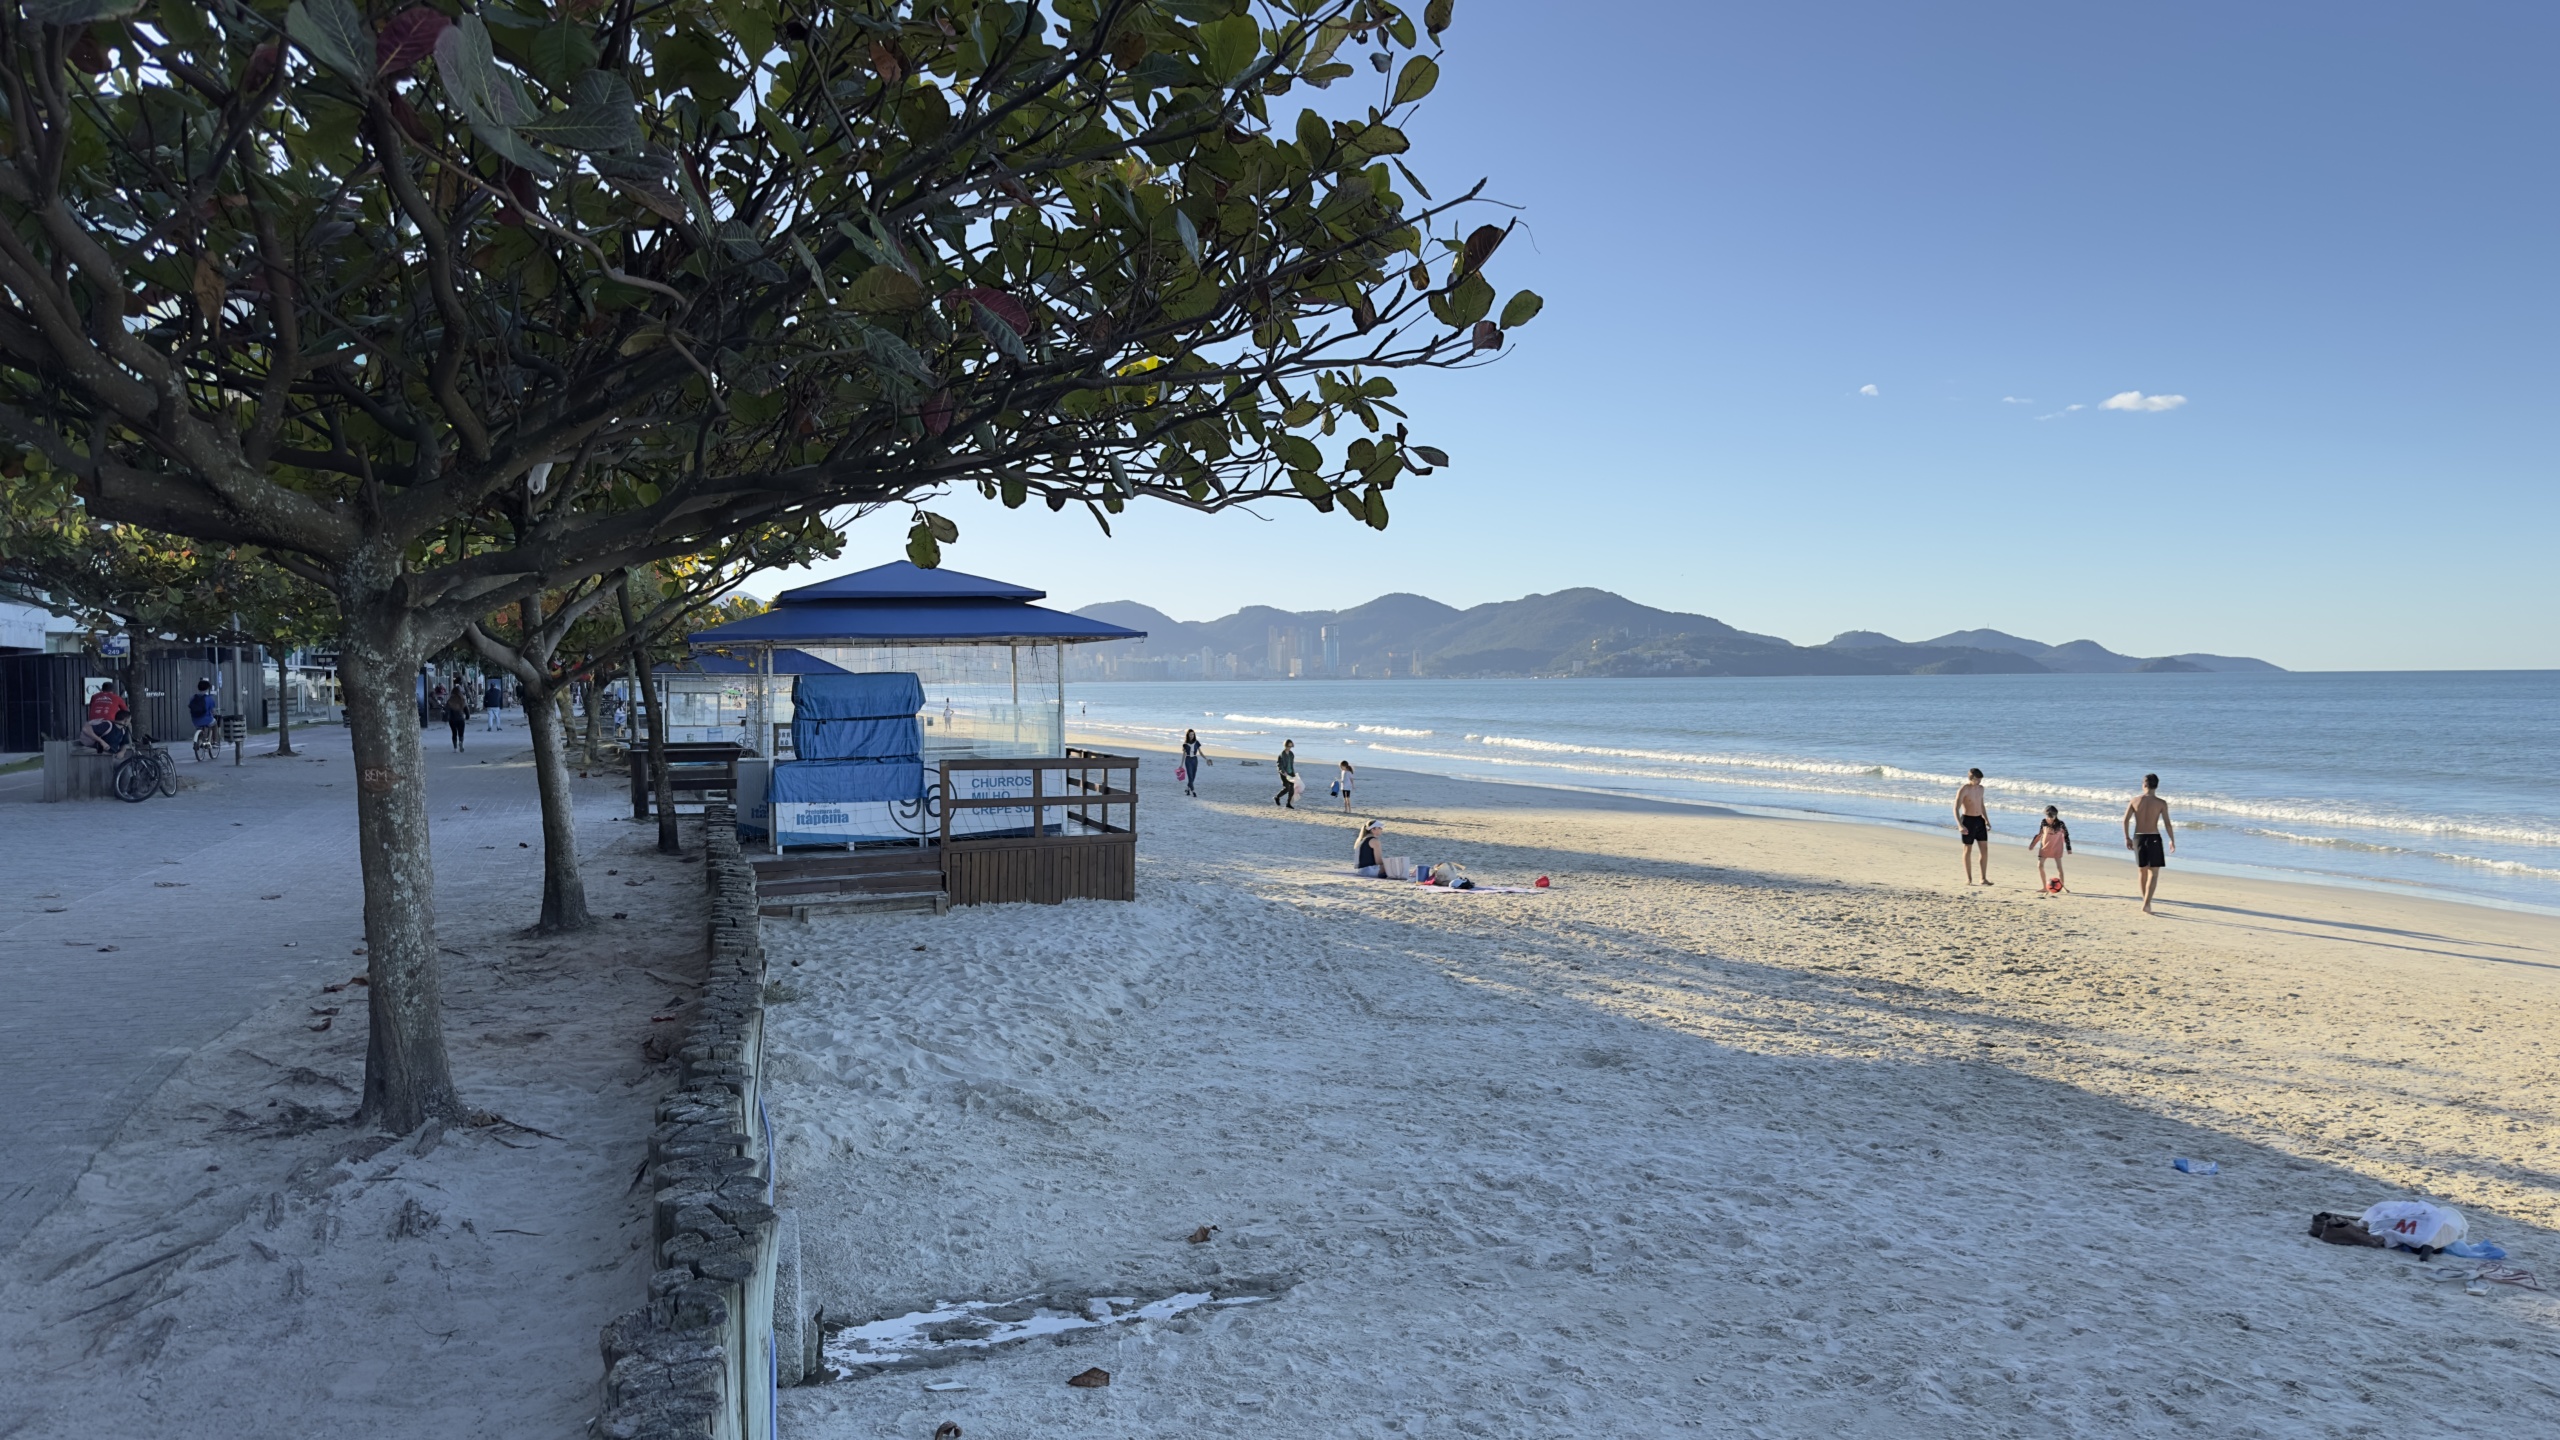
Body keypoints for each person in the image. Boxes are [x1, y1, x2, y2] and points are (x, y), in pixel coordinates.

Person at [2122, 773, 2176, 914]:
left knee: (2142, 871)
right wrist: (2172, 839)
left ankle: (2145, 901)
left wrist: (2127, 837)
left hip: (2138, 837)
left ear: (2144, 784)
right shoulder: (2161, 803)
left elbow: (2125, 820)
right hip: (2153, 838)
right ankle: (2147, 903)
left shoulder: (2135, 801)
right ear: (2156, 786)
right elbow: (2167, 824)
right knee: (2154, 872)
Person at [1956, 767, 1992, 884]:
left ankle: (1983, 878)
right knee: (1968, 849)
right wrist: (1960, 825)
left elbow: (1981, 805)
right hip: (1968, 821)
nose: (1979, 781)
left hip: (1979, 821)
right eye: (1977, 779)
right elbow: (1955, 808)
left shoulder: (1981, 789)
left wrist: (1986, 820)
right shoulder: (1964, 789)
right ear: (1971, 778)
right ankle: (1969, 879)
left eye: (1980, 779)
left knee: (1984, 849)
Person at [2029, 806, 2072, 893]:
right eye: (2049, 816)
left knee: (2059, 867)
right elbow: (2040, 834)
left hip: (2057, 847)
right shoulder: (2043, 822)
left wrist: (2068, 848)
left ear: (2056, 815)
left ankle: (2062, 886)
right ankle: (2044, 887)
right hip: (2045, 847)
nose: (2050, 818)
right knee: (2040, 866)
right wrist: (2032, 844)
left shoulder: (2061, 824)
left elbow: (2066, 835)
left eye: (2052, 816)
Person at [82, 680, 130, 753]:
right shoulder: (116, 698)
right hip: (108, 723)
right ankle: (128, 743)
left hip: (92, 722)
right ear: (113, 690)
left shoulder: (94, 696)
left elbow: (92, 707)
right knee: (126, 723)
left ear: (102, 689)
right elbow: (126, 712)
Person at [187, 679, 220, 758]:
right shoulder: (209, 699)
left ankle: (200, 740)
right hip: (207, 720)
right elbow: (213, 711)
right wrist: (215, 713)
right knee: (214, 723)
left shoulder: (193, 698)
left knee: (201, 726)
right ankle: (215, 742)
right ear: (207, 688)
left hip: (195, 720)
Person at [443, 683, 471, 751]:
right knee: (461, 733)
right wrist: (467, 716)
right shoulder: (462, 700)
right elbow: (466, 710)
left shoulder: (450, 700)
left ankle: (455, 748)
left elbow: (447, 711)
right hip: (461, 719)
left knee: (454, 733)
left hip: (452, 719)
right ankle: (461, 742)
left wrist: (445, 718)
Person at [1273, 738, 1299, 808]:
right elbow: (1279, 765)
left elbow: (1291, 764)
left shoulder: (1291, 754)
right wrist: (1283, 772)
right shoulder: (1281, 755)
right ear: (1285, 745)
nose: (1289, 748)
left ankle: (1288, 804)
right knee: (1287, 788)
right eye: (1288, 746)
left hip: (1291, 773)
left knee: (1292, 789)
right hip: (1284, 774)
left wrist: (1293, 773)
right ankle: (1277, 797)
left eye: (1290, 746)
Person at [1181, 729, 1205, 797]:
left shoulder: (1196, 742)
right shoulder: (1185, 744)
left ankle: (1187, 789)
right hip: (1188, 760)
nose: (1192, 736)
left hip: (1195, 760)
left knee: (1193, 776)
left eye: (1193, 734)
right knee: (1190, 776)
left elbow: (1200, 752)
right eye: (1190, 735)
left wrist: (1206, 759)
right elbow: (1184, 754)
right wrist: (1181, 764)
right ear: (1188, 735)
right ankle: (1193, 791)